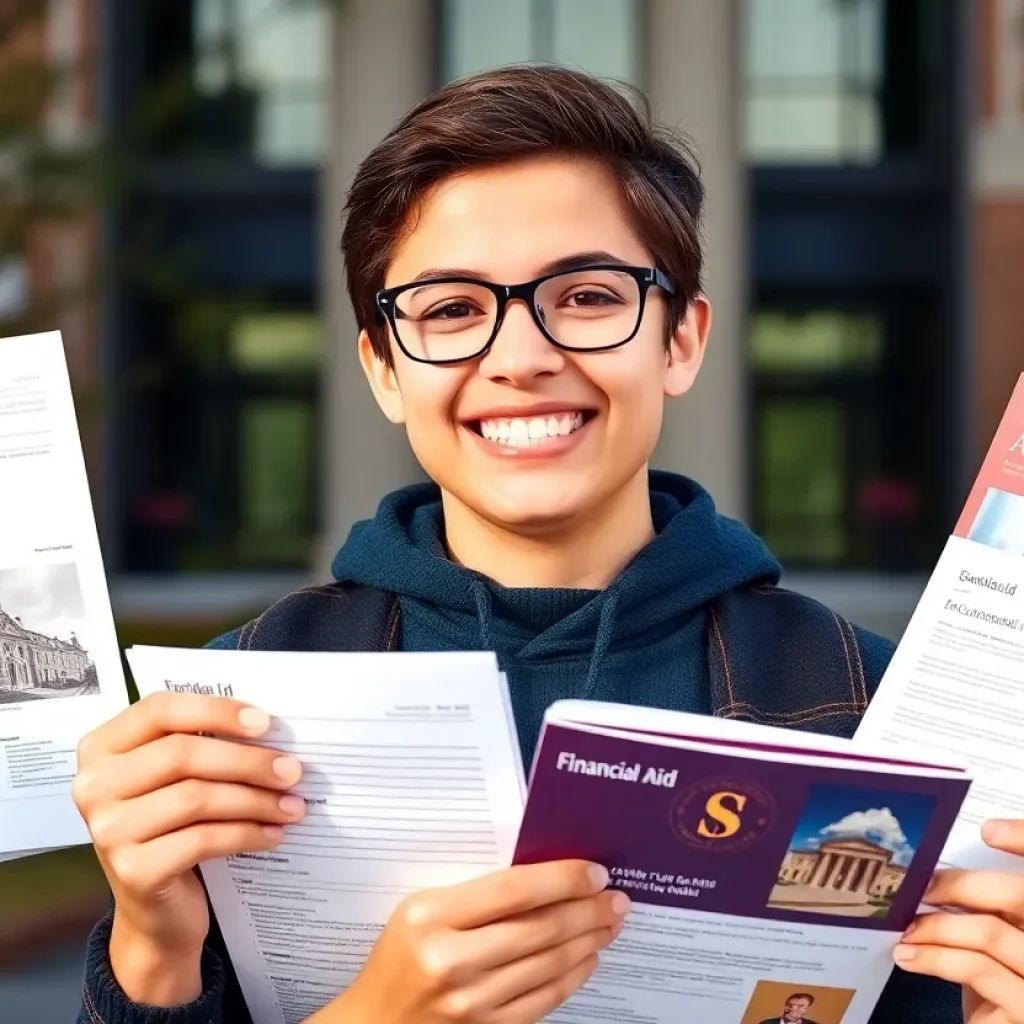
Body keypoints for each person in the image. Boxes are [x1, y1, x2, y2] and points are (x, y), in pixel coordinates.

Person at [72, 65, 1024, 1024]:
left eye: (588, 296)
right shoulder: (232, 711)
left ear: (681, 340)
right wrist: (155, 943)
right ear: (384, 369)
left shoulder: (876, 712)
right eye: (450, 309)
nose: (521, 358)